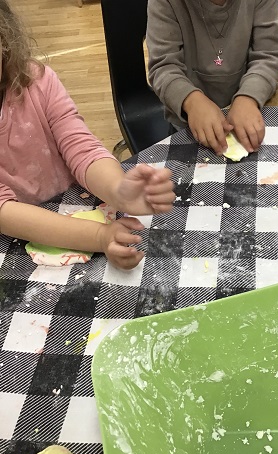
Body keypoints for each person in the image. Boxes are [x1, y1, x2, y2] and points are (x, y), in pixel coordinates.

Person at [0, 0, 175, 270]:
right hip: (20, 244)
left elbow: (81, 147)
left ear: (5, 40)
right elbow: (5, 214)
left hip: (79, 202)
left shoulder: (36, 81)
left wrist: (118, 191)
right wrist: (98, 236)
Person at [146, 0, 278, 156]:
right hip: (186, 124)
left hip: (248, 114)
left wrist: (248, 97)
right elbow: (163, 67)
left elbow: (271, 55)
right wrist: (192, 102)